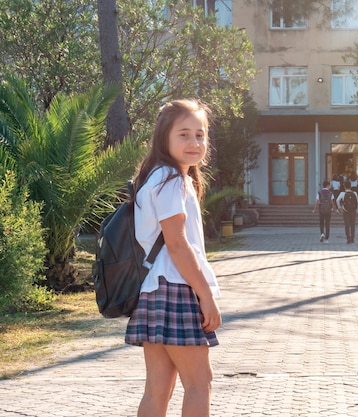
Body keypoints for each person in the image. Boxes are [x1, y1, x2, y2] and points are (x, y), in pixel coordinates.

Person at [125, 99, 222, 417]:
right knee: (199, 383)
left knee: (157, 390)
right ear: (164, 137)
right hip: (177, 290)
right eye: (184, 134)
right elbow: (178, 245)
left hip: (154, 290)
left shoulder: (156, 177)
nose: (194, 142)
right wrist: (206, 296)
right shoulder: (171, 181)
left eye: (200, 134)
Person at [336, 179, 358, 244]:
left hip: (345, 211)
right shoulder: (355, 193)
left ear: (344, 186)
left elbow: (337, 200)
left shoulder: (342, 193)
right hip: (353, 211)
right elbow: (357, 202)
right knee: (352, 225)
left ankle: (348, 239)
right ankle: (352, 238)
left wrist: (340, 208)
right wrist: (357, 211)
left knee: (347, 225)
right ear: (350, 186)